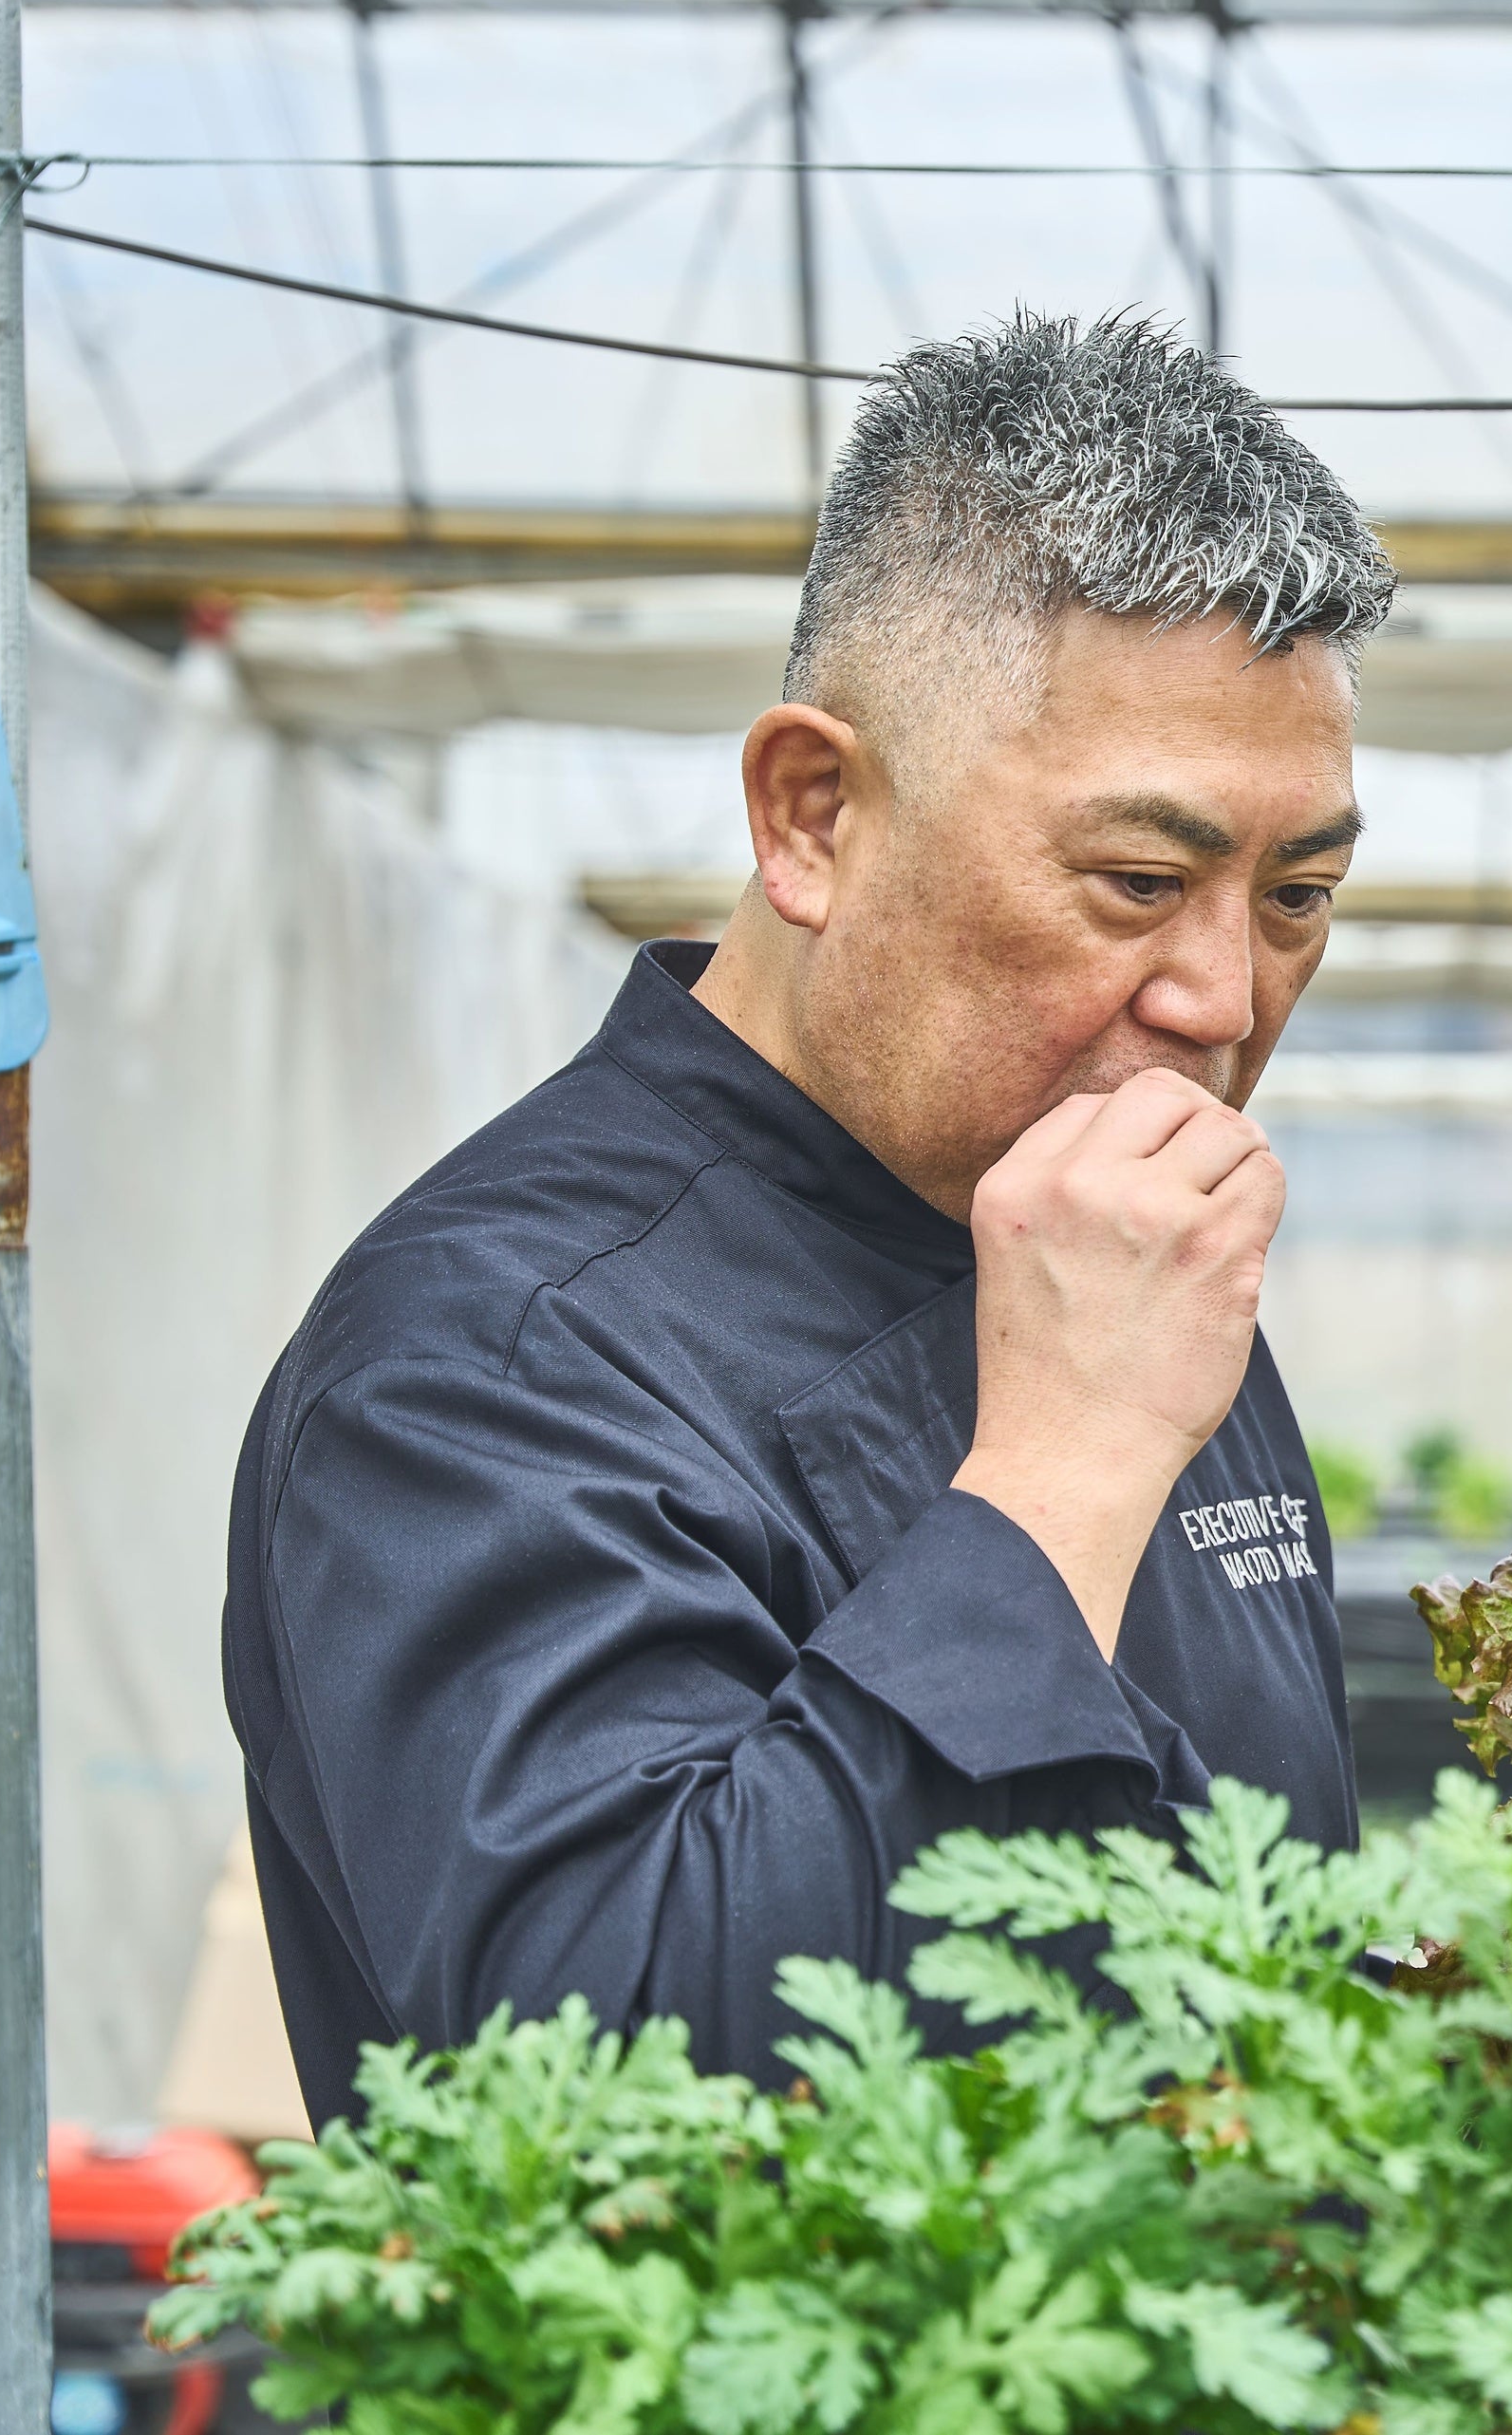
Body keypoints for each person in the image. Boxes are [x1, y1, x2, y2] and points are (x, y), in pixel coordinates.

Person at [221, 313, 1393, 2123]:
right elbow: (628, 2094)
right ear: (814, 815)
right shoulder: (484, 1361)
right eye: (1137, 880)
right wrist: (1062, 1472)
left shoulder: (1117, 1242)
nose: (1223, 999)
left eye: (1297, 894)